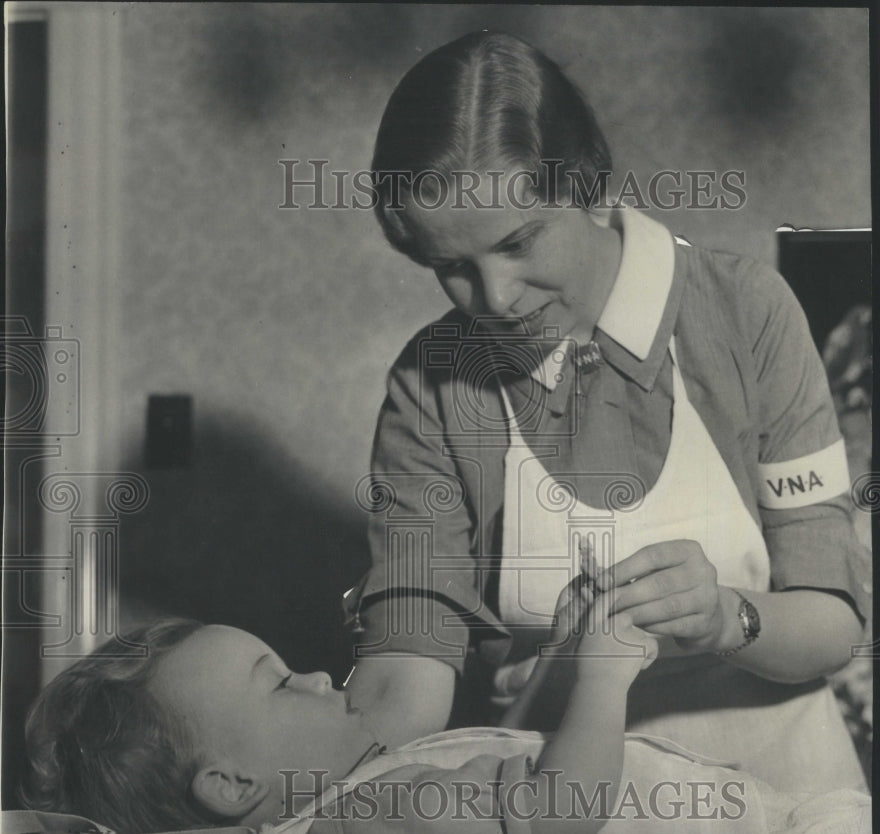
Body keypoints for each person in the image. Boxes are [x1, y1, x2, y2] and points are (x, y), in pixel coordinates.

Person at [344, 31, 869, 793]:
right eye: (451, 268)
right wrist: (306, 790)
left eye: (520, 241)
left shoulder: (743, 311)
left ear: (589, 185)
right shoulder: (432, 382)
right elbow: (408, 669)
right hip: (560, 823)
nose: (495, 299)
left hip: (787, 798)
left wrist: (727, 619)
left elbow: (833, 626)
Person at [18, 570, 872, 834]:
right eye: (280, 682)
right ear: (232, 787)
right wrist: (608, 678)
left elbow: (508, 769)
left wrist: (567, 662)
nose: (318, 677)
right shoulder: (369, 811)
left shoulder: (377, 790)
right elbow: (559, 809)